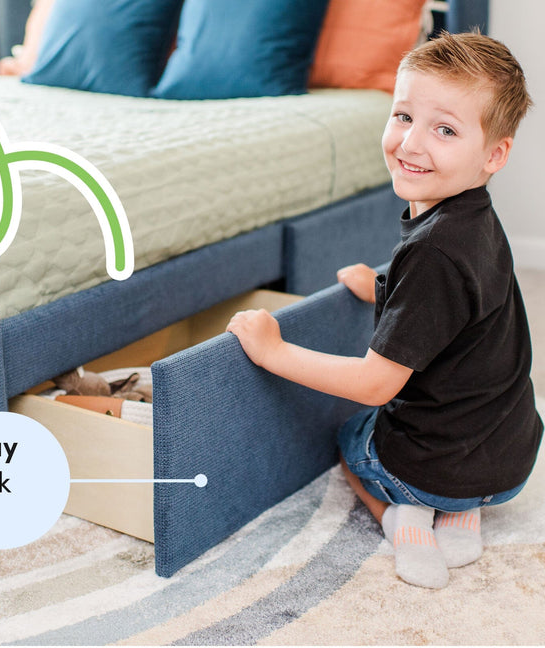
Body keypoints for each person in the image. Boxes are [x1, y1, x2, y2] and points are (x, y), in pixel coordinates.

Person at [226, 32, 543, 589]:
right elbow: (462, 313)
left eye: (444, 129)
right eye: (403, 117)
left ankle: (402, 519)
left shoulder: (430, 250)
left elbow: (375, 384)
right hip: (512, 459)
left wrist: (273, 351)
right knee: (452, 451)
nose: (411, 144)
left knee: (352, 439)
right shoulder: (479, 222)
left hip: (437, 468)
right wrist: (383, 285)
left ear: (494, 153)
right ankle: (461, 514)